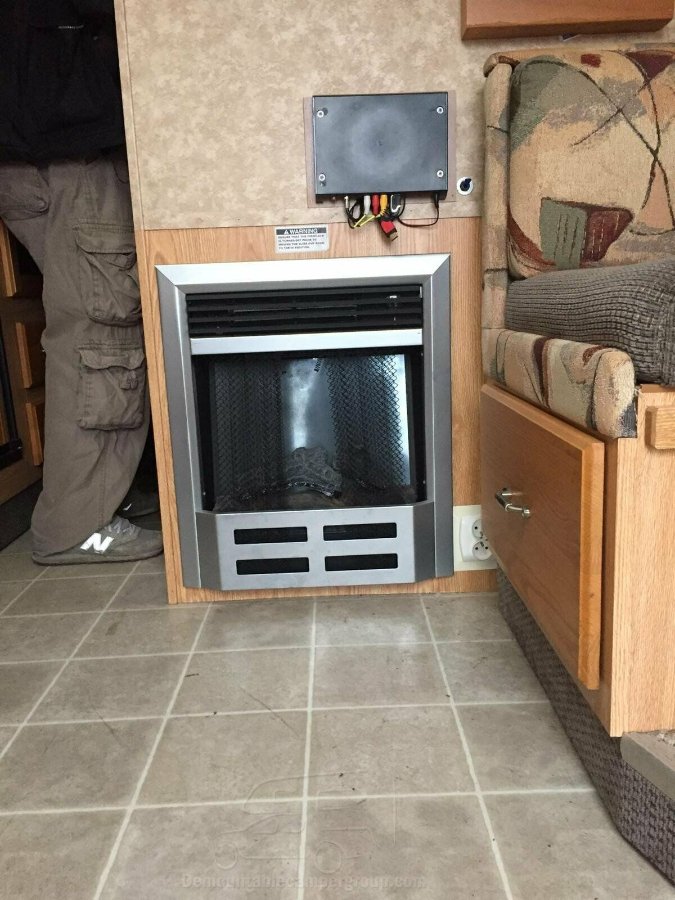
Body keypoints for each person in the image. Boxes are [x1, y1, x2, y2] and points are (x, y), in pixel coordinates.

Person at [0, 0, 162, 564]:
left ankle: (101, 498)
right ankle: (75, 526)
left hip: (47, 151)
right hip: (66, 158)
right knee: (102, 338)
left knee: (99, 332)